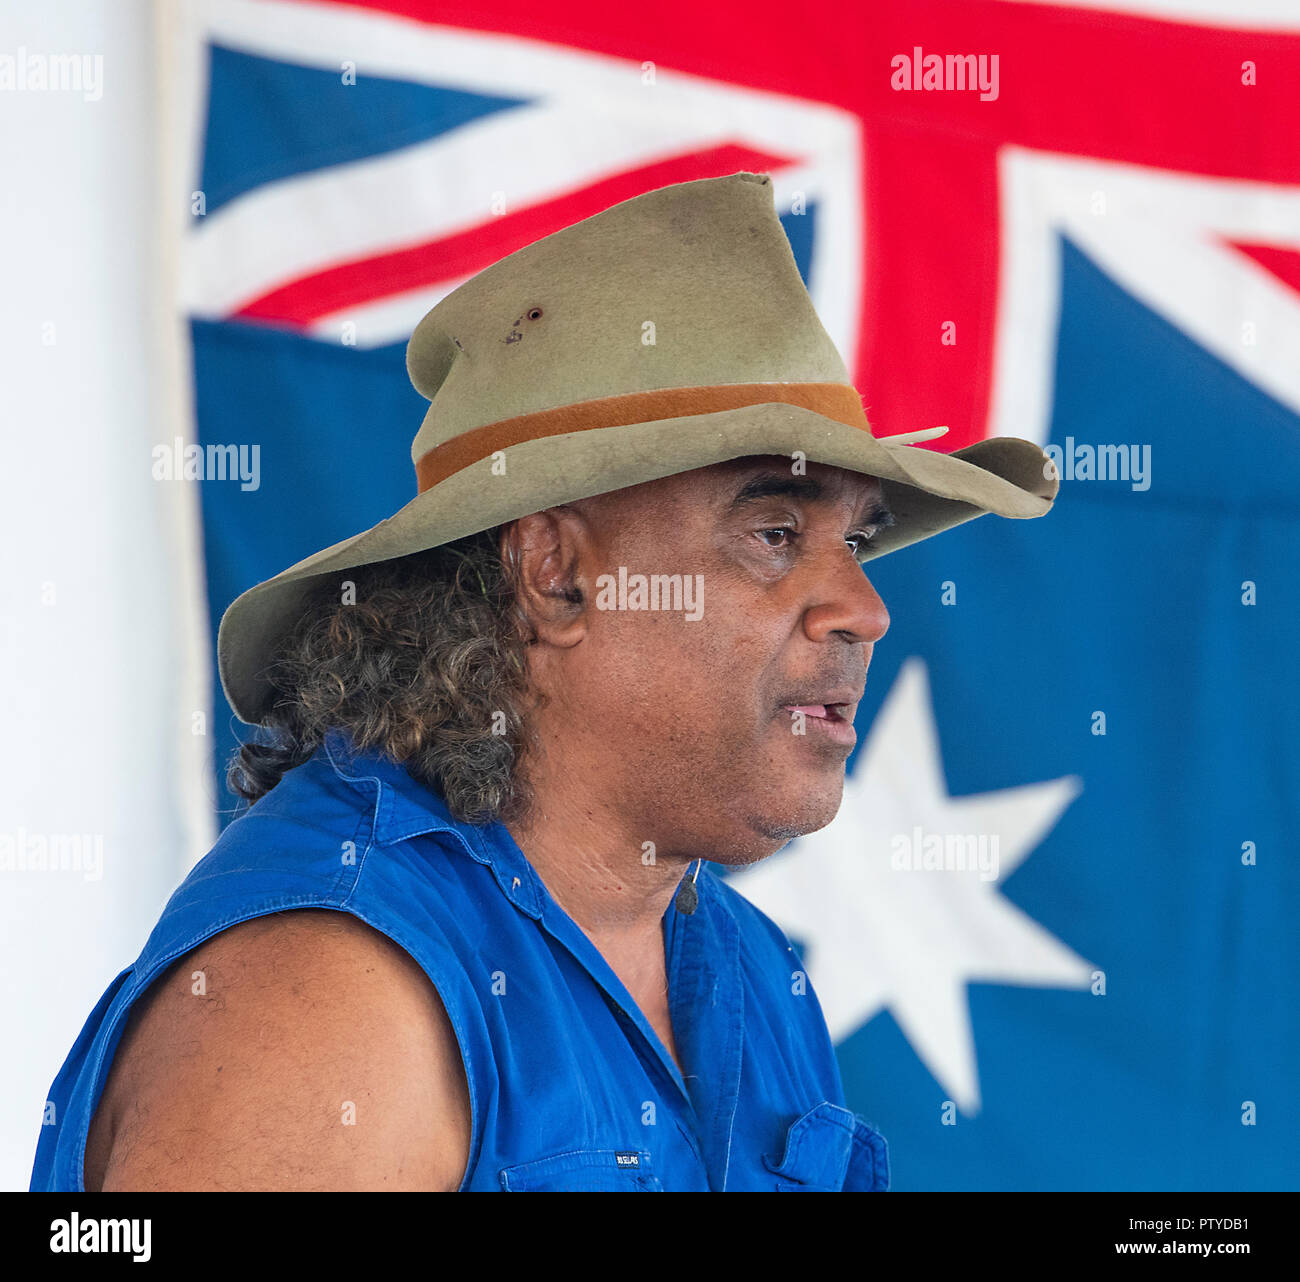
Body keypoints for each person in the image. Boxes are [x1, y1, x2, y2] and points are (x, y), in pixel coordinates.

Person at [32, 171, 1057, 1192]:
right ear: (557, 575)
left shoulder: (741, 962)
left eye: (857, 541)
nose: (863, 609)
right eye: (775, 532)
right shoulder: (328, 992)